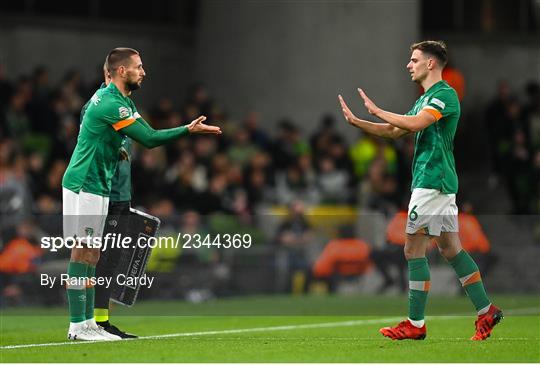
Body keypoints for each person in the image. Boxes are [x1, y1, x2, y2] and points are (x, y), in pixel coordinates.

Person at [338, 40, 502, 341]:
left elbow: (416, 124)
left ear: (430, 64)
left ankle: (415, 324)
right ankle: (486, 310)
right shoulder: (424, 98)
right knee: (451, 249)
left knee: (413, 248)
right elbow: (393, 131)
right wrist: (359, 121)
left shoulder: (445, 95)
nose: (408, 65)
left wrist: (378, 109)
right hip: (436, 183)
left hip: (432, 182)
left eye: (414, 59)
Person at [61, 47, 221, 341]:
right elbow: (148, 140)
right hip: (83, 183)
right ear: (122, 71)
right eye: (138, 66)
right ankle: (76, 327)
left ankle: (89, 324)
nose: (144, 72)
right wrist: (188, 129)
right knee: (82, 252)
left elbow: (147, 131)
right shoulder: (110, 103)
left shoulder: (123, 101)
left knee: (93, 254)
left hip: (98, 185)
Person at [90, 62, 135, 339]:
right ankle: (90, 322)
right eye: (136, 68)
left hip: (122, 192)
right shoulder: (98, 105)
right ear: (113, 73)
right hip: (105, 192)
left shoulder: (127, 106)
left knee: (112, 258)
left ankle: (102, 320)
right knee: (98, 257)